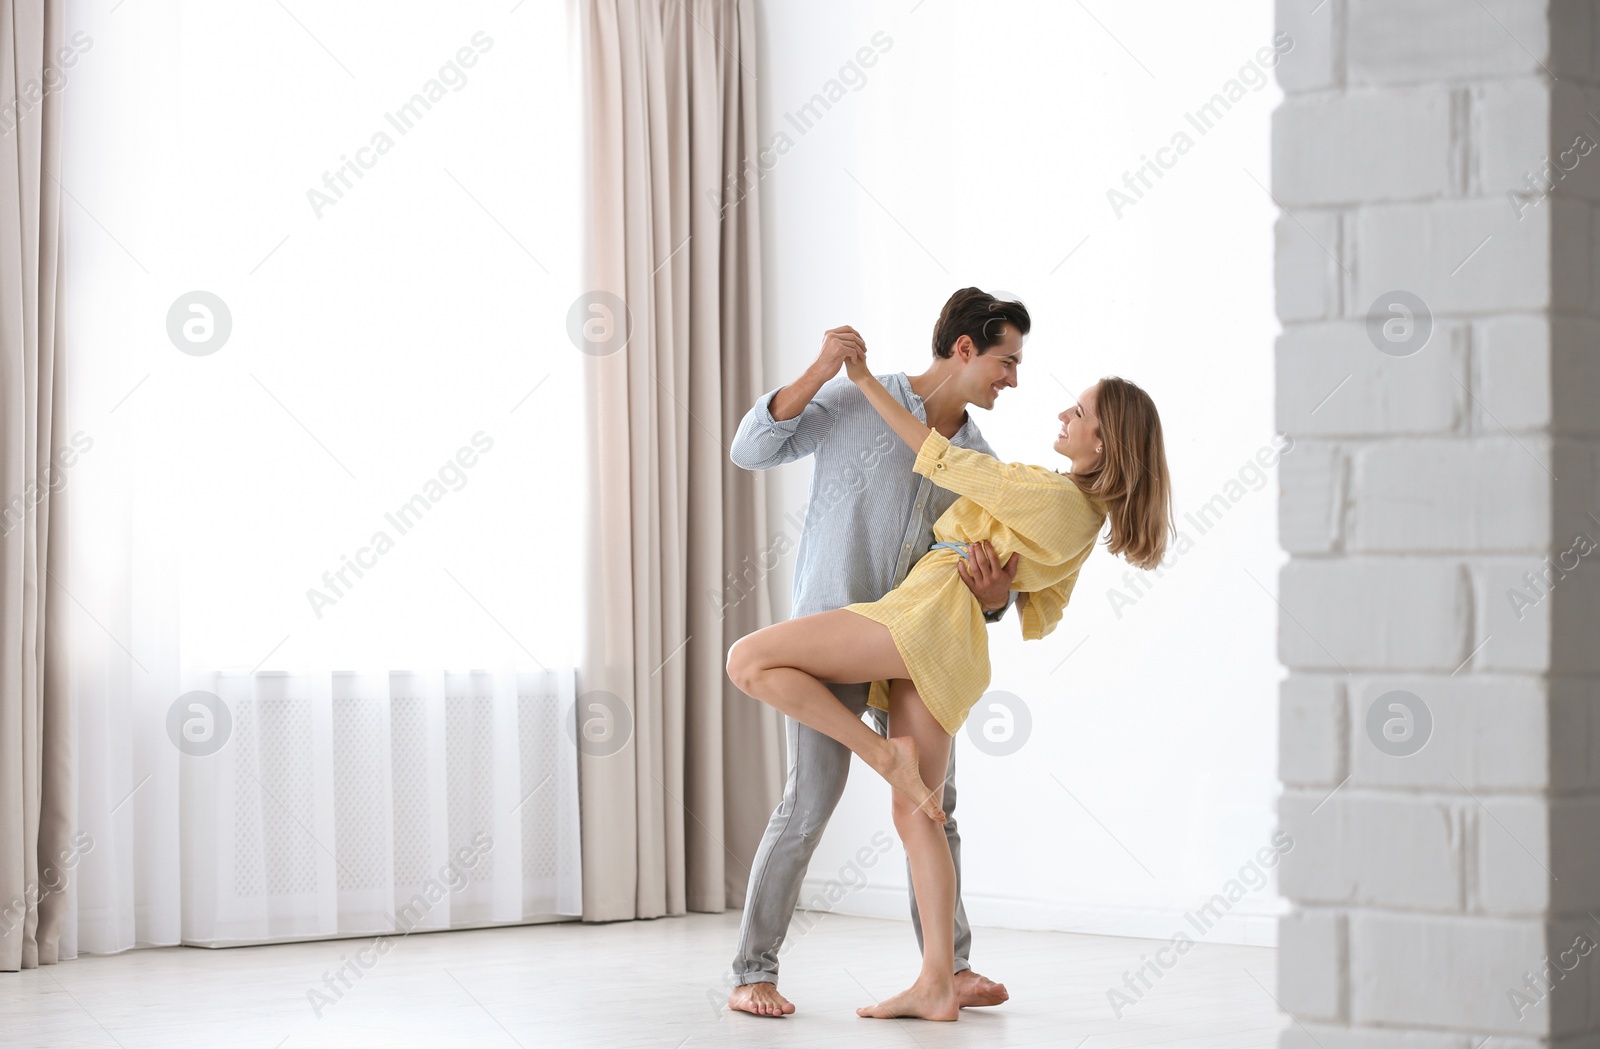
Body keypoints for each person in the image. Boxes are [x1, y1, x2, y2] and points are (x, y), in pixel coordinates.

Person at [726, 349, 1174, 1021]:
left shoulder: (1049, 493)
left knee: (748, 659)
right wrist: (999, 590)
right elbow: (1040, 612)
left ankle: (881, 758)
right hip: (954, 648)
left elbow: (936, 456)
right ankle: (939, 978)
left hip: (924, 616)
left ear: (1104, 440)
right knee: (921, 812)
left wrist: (866, 381)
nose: (1060, 411)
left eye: (1077, 412)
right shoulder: (1081, 515)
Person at [725, 288, 1028, 1018]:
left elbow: (994, 594)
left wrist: (993, 597)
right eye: (1005, 360)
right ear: (963, 349)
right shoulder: (859, 400)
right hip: (831, 638)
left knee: (934, 804)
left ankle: (950, 969)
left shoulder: (977, 459)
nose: (1012, 379)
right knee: (809, 802)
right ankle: (751, 970)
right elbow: (751, 448)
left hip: (914, 650)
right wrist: (819, 368)